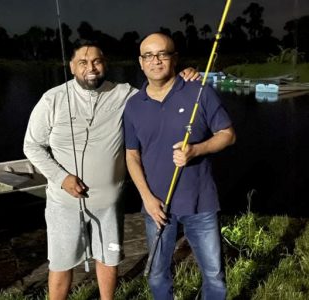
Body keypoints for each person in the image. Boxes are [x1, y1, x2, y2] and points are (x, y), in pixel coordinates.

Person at [23, 42, 199, 300]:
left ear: (105, 63)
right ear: (72, 67)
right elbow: (32, 145)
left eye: (96, 61)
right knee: (61, 264)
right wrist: (62, 178)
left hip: (109, 204)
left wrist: (183, 76)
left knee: (109, 258)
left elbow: (159, 96)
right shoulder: (52, 99)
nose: (90, 67)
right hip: (64, 203)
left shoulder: (125, 94)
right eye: (83, 62)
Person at [124, 33, 236, 300]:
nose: (156, 60)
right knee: (157, 274)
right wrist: (147, 199)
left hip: (201, 202)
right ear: (140, 62)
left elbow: (228, 135)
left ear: (174, 58)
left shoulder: (198, 91)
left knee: (214, 276)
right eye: (148, 55)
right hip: (157, 207)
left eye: (163, 53)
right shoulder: (133, 106)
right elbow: (131, 155)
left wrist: (197, 149)